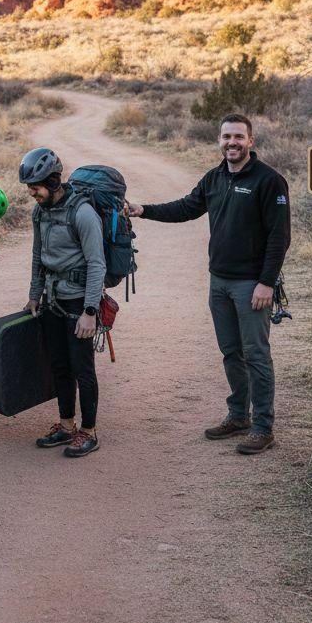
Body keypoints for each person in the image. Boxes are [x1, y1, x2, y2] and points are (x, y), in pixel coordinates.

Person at [127, 113, 290, 455]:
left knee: (256, 355)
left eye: (239, 137)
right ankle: (238, 415)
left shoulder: (269, 181)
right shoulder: (215, 178)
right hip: (219, 281)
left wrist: (266, 283)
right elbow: (186, 207)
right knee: (231, 352)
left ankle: (263, 427)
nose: (232, 143)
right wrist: (143, 210)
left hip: (251, 286)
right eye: (226, 137)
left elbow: (280, 237)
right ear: (220, 140)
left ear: (251, 141)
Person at [20, 147, 106, 458]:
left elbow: (97, 264)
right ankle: (67, 424)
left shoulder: (82, 213)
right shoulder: (39, 212)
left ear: (54, 180)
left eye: (36, 186)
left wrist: (90, 311)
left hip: (77, 303)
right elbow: (37, 256)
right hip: (51, 301)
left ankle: (89, 431)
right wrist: (34, 295)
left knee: (83, 368)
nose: (32, 193)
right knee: (59, 365)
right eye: (29, 187)